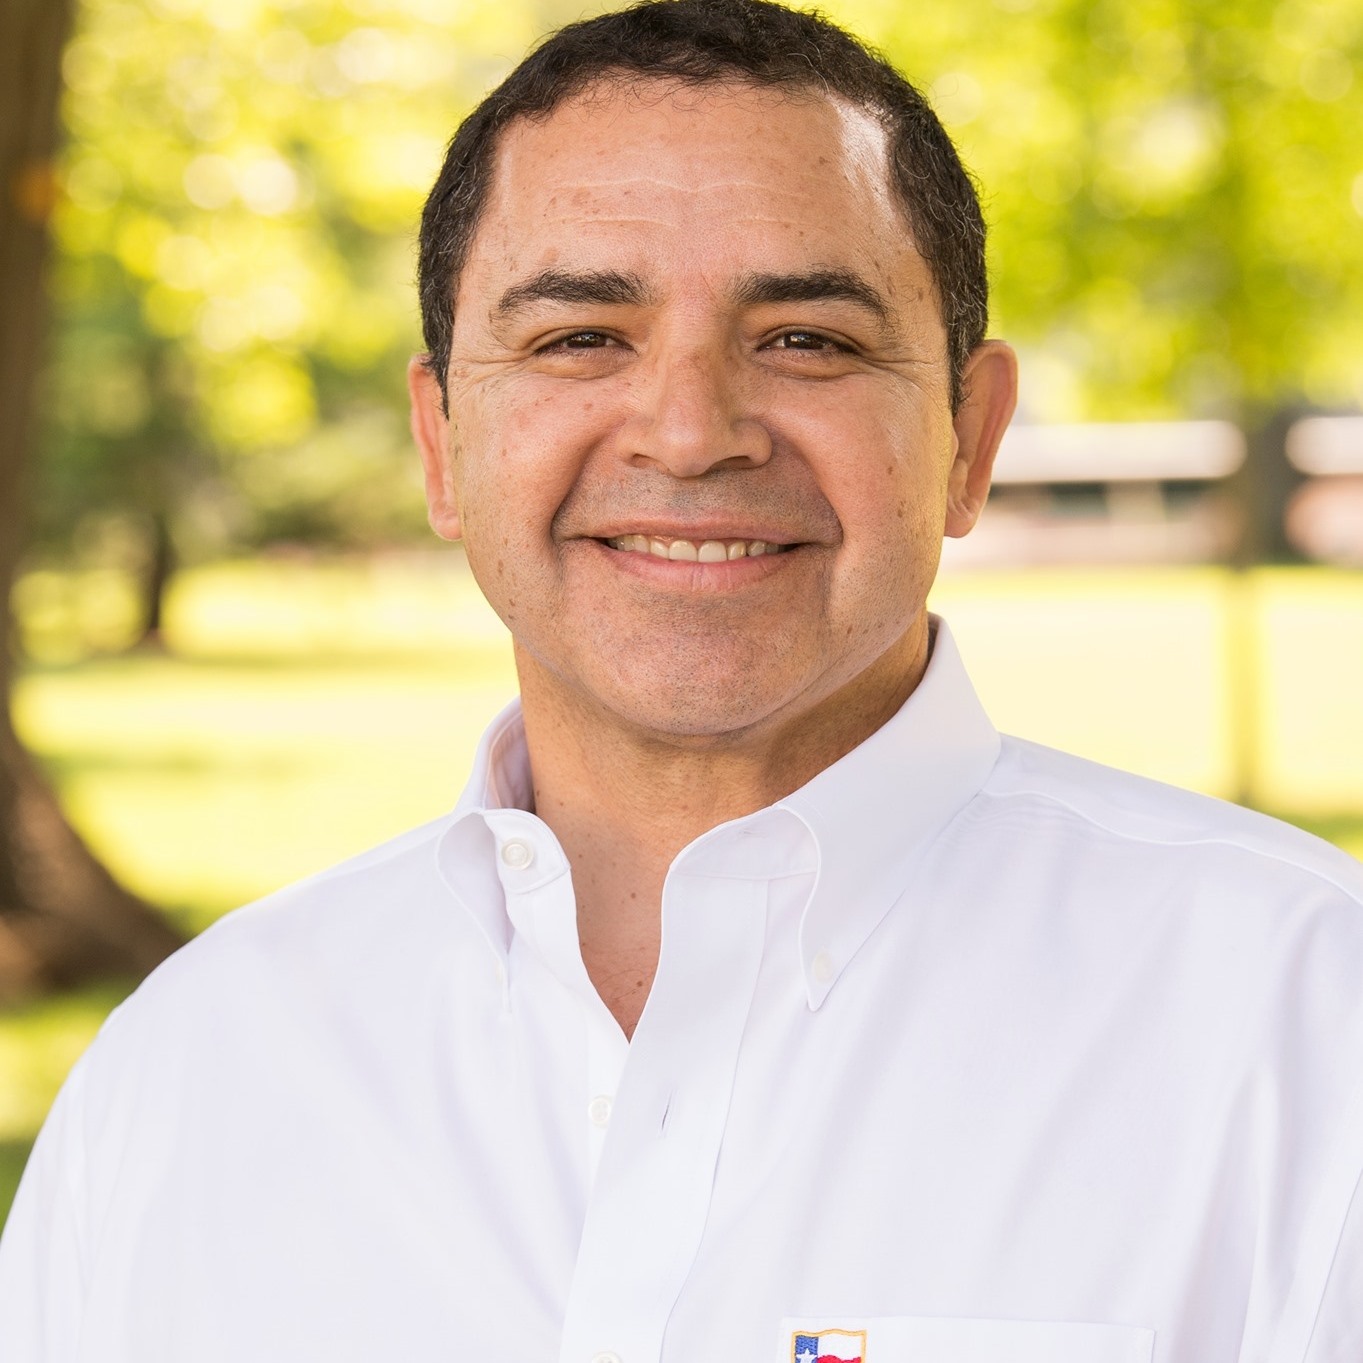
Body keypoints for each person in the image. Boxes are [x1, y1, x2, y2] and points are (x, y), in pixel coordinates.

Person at [2, 1, 1361, 1358]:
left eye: (807, 339)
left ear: (971, 437)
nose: (692, 432)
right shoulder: (191, 1071)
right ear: (442, 442)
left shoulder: (1305, 1021)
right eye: (581, 338)